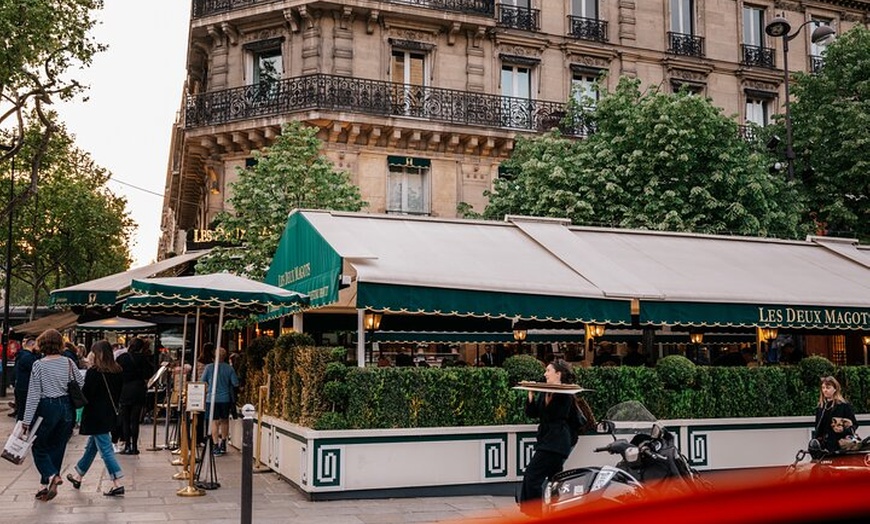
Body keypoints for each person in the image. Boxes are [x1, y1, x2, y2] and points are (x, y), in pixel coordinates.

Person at [21, 329, 84, 502]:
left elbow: (34, 394)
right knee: (58, 446)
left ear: (42, 344)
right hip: (66, 407)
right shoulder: (69, 362)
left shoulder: (39, 365)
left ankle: (51, 475)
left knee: (38, 445)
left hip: (47, 407)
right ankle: (46, 484)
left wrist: (26, 420)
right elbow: (80, 382)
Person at [518, 359, 580, 516]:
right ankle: (556, 512)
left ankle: (534, 513)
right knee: (555, 480)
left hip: (557, 442)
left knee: (532, 476)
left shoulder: (566, 393)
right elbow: (533, 414)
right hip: (546, 439)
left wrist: (546, 391)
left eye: (548, 371)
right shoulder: (545, 391)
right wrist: (531, 392)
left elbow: (555, 414)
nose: (545, 374)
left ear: (558, 374)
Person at [65, 340, 125, 496]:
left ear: (97, 354)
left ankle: (117, 482)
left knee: (105, 450)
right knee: (92, 446)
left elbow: (86, 395)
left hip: (95, 416)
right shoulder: (118, 371)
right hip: (110, 414)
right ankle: (78, 475)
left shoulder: (94, 372)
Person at [116, 337, 154, 455]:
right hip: (138, 389)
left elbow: (116, 373)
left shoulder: (121, 358)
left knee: (125, 419)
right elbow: (149, 373)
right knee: (135, 420)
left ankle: (127, 445)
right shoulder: (143, 358)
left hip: (124, 389)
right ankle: (135, 446)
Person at [202, 347, 239, 456]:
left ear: (214, 357)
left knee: (214, 422)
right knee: (224, 421)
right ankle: (223, 442)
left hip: (211, 398)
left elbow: (203, 381)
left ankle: (215, 445)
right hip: (225, 399)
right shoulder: (229, 369)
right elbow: (235, 383)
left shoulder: (209, 368)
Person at [814, 375, 859, 453]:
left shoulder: (843, 406)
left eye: (828, 388)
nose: (825, 390)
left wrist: (843, 430)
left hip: (840, 446)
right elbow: (818, 428)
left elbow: (854, 424)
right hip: (824, 448)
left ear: (835, 389)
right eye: (823, 388)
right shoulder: (821, 407)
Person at [13, 338, 40, 421]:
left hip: (20, 386)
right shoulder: (28, 357)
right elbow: (36, 370)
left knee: (21, 410)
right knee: (24, 411)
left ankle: (19, 430)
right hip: (26, 386)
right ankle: (20, 431)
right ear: (32, 345)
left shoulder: (22, 355)